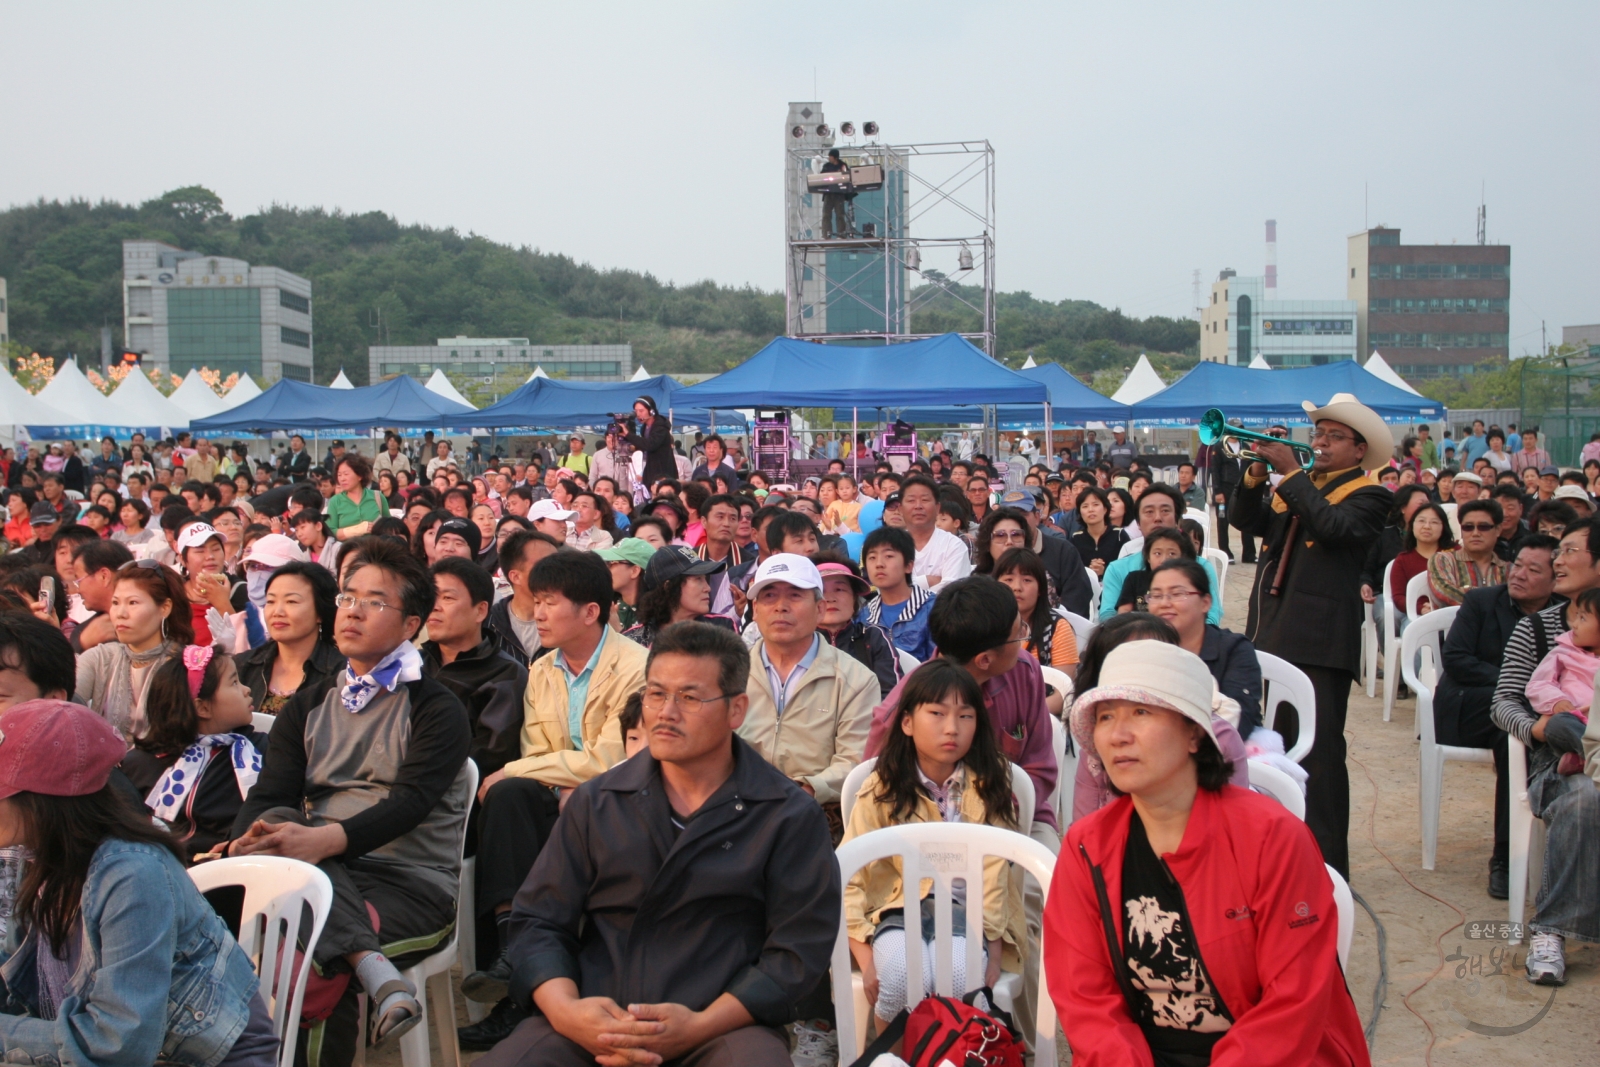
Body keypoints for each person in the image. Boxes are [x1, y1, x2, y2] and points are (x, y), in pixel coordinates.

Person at [474, 622, 839, 1067]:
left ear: (736, 709)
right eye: (655, 694)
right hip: (593, 1016)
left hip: (719, 1024)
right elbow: (538, 922)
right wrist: (568, 1013)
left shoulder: (784, 813)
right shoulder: (598, 800)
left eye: (689, 697)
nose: (666, 712)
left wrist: (699, 1027)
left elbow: (797, 949)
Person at [1048, 641, 1371, 1066]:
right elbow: (1084, 995)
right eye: (1106, 717)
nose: (1118, 734)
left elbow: (1294, 1000)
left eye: (1141, 712)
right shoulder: (1088, 845)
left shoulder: (1271, 837)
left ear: (1195, 733)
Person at [229, 537, 472, 1057]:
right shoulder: (310, 703)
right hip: (318, 870)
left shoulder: (436, 707)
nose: (353, 612)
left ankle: (354, 963)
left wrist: (321, 843)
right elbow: (271, 793)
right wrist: (242, 843)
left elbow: (410, 805)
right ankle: (372, 967)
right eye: (347, 597)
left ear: (410, 625)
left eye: (375, 602)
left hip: (407, 882)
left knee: (308, 954)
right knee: (272, 820)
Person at [0, 699, 279, 1067]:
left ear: (43, 801)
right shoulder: (42, 858)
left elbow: (118, 1046)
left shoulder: (133, 875)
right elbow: (13, 979)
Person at [462, 550, 648, 1020]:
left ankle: (521, 969)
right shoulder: (542, 669)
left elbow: (612, 756)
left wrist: (531, 774)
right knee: (507, 798)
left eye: (549, 602)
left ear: (590, 611)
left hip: (622, 798)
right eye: (535, 601)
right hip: (560, 796)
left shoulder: (636, 665)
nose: (538, 613)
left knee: (511, 783)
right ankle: (513, 947)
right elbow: (536, 751)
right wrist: (537, 777)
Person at [1227, 392, 1392, 878]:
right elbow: (1246, 521)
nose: (1319, 443)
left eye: (1333, 436)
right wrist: (1256, 475)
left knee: (1319, 756)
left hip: (1321, 641)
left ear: (1360, 450)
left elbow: (1334, 527)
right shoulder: (1300, 487)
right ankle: (1276, 858)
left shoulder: (1370, 494)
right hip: (1272, 631)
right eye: (1319, 434)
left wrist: (1293, 475)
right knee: (1269, 748)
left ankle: (1326, 867)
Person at [844, 660, 1023, 1024]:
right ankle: (896, 1059)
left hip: (967, 913)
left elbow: (997, 871)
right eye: (937, 713)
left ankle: (951, 1056)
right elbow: (851, 874)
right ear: (907, 722)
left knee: (958, 978)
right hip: (895, 908)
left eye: (965, 716)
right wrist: (863, 955)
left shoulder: (989, 786)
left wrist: (992, 943)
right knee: (897, 979)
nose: (951, 728)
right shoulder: (880, 788)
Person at [1489, 520, 1600, 983]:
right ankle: (1550, 932)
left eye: (1571, 550)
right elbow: (1502, 703)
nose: (1558, 559)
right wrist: (1540, 727)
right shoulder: (1537, 629)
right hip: (1558, 762)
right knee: (1586, 798)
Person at [1436, 536, 1560, 898]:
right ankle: (1505, 859)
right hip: (1468, 705)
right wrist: (1517, 682)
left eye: (1533, 570)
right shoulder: (1481, 601)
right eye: (1517, 565)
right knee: (1513, 722)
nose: (1519, 574)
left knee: (1515, 736)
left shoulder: (1563, 612)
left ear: (1555, 580)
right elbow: (1456, 658)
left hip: (1522, 714)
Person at [120, 643, 266, 862]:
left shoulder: (260, 752)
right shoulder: (142, 763)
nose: (247, 689)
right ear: (202, 708)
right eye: (234, 682)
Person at [75, 560, 193, 740]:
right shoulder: (101, 658)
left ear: (165, 608)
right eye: (115, 602)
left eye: (132, 602)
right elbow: (64, 707)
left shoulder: (190, 664)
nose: (121, 613)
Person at [231, 560, 344, 716]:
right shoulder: (243, 665)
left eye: (291, 601)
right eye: (271, 601)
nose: (277, 611)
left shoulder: (341, 673)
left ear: (320, 611)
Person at [1100, 485, 1223, 625]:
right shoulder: (1118, 569)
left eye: (1165, 511)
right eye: (1149, 512)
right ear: (1138, 523)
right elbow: (1108, 616)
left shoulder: (1201, 566)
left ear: (1177, 521)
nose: (1157, 518)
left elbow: (1212, 616)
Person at [1526, 587, 1600, 777]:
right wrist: (1556, 700)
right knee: (1558, 724)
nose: (1574, 624)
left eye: (1583, 618)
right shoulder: (1564, 653)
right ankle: (1591, 758)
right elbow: (1539, 684)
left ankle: (1583, 762)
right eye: (1576, 616)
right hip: (1575, 721)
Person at [814, 554, 901, 698]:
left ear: (854, 598)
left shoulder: (872, 638)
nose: (830, 598)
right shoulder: (798, 641)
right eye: (821, 591)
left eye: (839, 590)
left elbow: (892, 697)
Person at [623, 545, 736, 648]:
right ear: (669, 586)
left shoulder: (722, 629)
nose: (708, 588)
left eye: (705, 579)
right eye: (698, 579)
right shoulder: (635, 640)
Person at [994, 547, 1079, 681]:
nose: (1017, 587)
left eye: (1027, 580)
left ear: (1040, 588)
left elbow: (1063, 692)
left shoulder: (1057, 627)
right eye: (1008, 579)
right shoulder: (984, 623)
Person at [859, 525, 936, 662]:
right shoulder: (864, 616)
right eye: (872, 557)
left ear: (908, 566)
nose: (879, 564)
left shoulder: (934, 609)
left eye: (888, 556)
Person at [487, 529, 562, 664]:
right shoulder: (487, 624)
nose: (556, 571)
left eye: (558, 564)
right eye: (544, 565)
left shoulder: (569, 620)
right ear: (515, 576)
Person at [1428, 499, 1508, 608]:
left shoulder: (1507, 569)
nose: (1475, 533)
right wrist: (1494, 598)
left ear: (1498, 530)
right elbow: (1445, 593)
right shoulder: (1443, 559)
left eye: (1483, 527)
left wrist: (1468, 591)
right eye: (1468, 527)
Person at [899, 475, 973, 591]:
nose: (918, 506)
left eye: (925, 500)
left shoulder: (954, 546)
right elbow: (888, 588)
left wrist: (909, 587)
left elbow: (952, 591)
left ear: (937, 508)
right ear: (900, 509)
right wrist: (928, 581)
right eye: (911, 500)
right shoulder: (892, 545)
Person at [67, 538, 134, 653]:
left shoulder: (152, 617)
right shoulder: (84, 633)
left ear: (104, 576)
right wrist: (82, 644)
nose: (78, 590)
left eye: (79, 580)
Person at [1389, 502, 1454, 618]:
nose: (1427, 526)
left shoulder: (1454, 554)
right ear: (1412, 525)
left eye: (1434, 522)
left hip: (1452, 614)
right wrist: (1421, 608)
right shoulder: (1403, 560)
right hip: (1417, 615)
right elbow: (1398, 597)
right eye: (1421, 521)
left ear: (1443, 527)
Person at [596, 537, 653, 632]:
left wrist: (617, 629)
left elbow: (646, 646)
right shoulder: (608, 605)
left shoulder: (656, 615)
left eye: (611, 563)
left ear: (634, 571)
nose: (605, 569)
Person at [325, 453, 386, 540]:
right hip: (347, 551)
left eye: (346, 474)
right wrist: (356, 530)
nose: (342, 479)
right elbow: (330, 532)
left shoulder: (378, 497)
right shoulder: (335, 501)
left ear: (360, 475)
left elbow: (389, 526)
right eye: (339, 475)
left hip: (375, 550)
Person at [624, 397, 677, 486]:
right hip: (650, 469)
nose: (638, 414)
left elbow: (650, 444)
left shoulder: (660, 426)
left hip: (662, 471)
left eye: (641, 411)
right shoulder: (644, 427)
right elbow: (645, 443)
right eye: (636, 411)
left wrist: (628, 434)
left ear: (651, 411)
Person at [820, 147, 855, 238]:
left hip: (839, 194)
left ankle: (841, 234)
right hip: (828, 193)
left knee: (840, 214)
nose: (829, 158)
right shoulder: (827, 166)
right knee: (826, 215)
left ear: (835, 157)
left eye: (830, 156)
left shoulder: (843, 165)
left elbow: (846, 176)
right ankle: (826, 235)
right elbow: (822, 176)